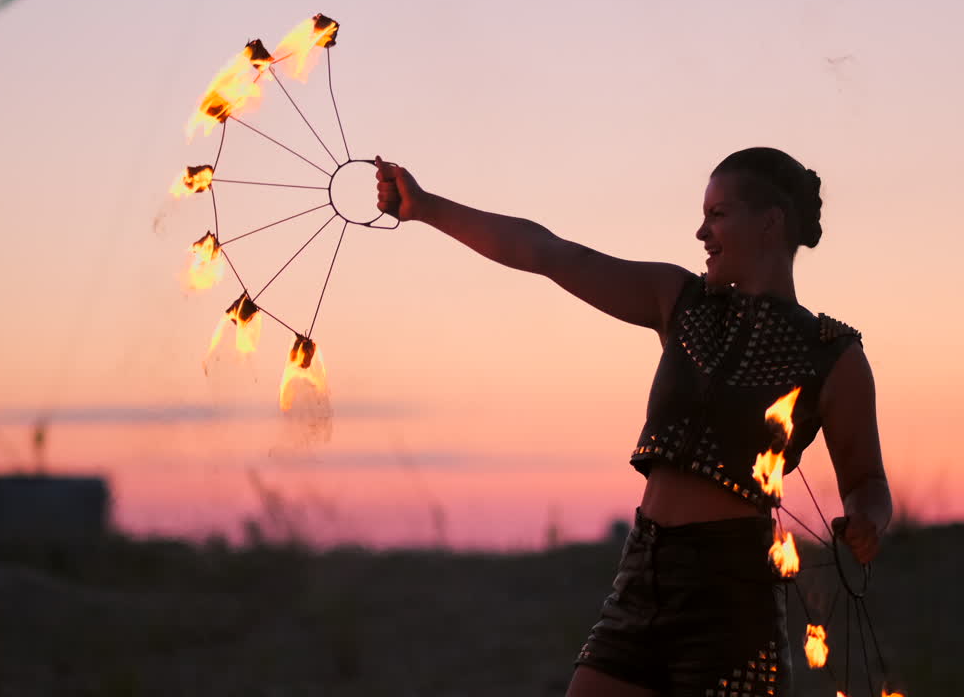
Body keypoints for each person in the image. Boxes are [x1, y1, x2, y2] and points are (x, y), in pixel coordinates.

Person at [374, 147, 892, 697]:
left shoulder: (832, 354)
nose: (701, 232)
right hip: (642, 575)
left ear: (770, 223)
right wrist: (425, 207)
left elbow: (867, 481)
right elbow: (549, 252)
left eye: (717, 215)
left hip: (733, 600)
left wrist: (867, 521)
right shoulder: (680, 302)